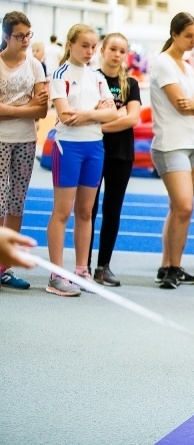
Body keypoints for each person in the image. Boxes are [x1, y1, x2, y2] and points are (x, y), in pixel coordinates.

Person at [47, 24, 117, 297]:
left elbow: (112, 114)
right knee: (62, 212)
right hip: (68, 147)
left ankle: (81, 271)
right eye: (84, 46)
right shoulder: (60, 75)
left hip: (94, 147)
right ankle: (56, 275)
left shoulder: (97, 77)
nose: (89, 51)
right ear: (70, 45)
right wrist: (97, 112)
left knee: (86, 212)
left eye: (93, 47)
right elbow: (65, 116)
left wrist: (87, 115)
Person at [149, 12, 194, 290]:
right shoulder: (163, 63)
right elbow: (180, 104)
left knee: (179, 209)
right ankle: (171, 267)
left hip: (193, 143)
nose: (193, 41)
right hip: (170, 144)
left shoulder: (186, 66)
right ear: (174, 35)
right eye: (188, 36)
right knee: (184, 206)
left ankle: (170, 266)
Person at [87, 33, 142, 287]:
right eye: (113, 49)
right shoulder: (91, 79)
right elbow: (89, 114)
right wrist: (116, 114)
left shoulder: (130, 83)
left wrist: (100, 123)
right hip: (93, 150)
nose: (117, 55)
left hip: (121, 154)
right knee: (88, 209)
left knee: (112, 210)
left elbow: (132, 119)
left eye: (122, 51)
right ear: (103, 50)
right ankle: (83, 265)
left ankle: (103, 266)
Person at [0, 11, 48, 291]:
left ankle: (4, 267)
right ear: (6, 36)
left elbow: (42, 110)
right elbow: (32, 107)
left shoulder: (36, 66)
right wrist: (25, 106)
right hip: (1, 140)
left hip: (26, 140)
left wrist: (11, 109)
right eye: (20, 36)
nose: (26, 41)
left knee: (16, 202)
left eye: (29, 35)